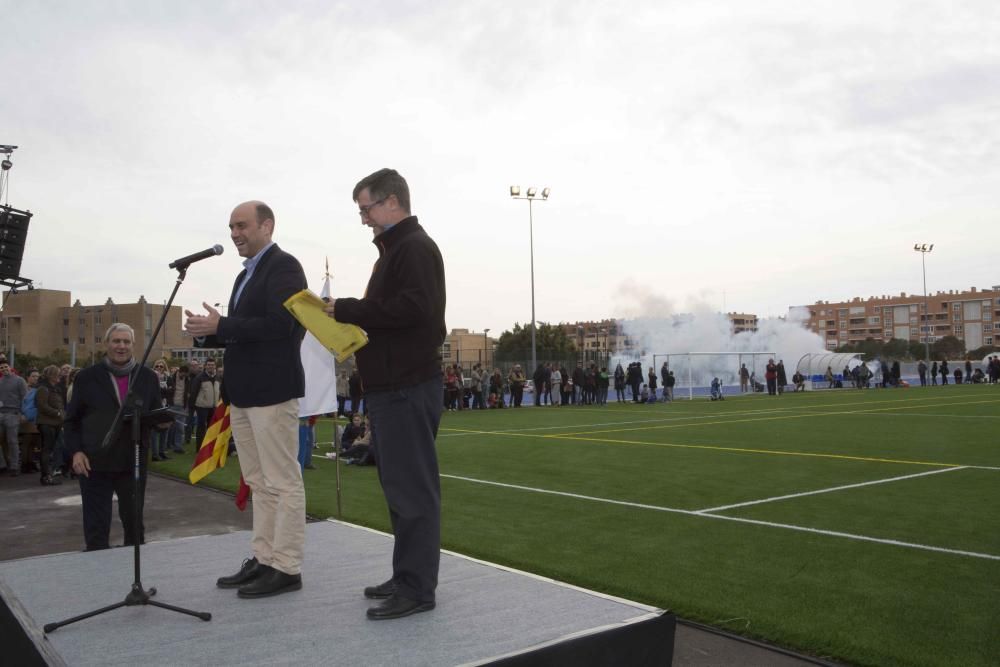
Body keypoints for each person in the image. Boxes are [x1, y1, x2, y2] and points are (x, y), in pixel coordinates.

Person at [325, 168, 446, 620]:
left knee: (412, 491)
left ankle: (417, 588)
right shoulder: (398, 250)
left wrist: (350, 309)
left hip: (408, 386)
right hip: (394, 387)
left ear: (392, 202)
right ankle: (407, 576)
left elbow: (417, 310)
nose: (363, 219)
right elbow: (399, 312)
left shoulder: (413, 248)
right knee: (399, 490)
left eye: (366, 208)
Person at [185, 199, 307, 599]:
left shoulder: (284, 267)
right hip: (243, 395)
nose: (235, 234)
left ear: (266, 226)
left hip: (272, 392)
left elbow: (282, 324)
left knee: (282, 481)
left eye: (242, 226)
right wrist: (208, 333)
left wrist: (224, 324)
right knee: (258, 481)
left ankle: (286, 567)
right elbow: (240, 330)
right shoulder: (244, 277)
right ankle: (264, 558)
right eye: (231, 227)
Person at [65, 323, 166, 550]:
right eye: (116, 341)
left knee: (134, 524)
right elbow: (71, 421)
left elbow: (155, 414)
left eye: (126, 342)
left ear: (133, 345)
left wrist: (164, 422)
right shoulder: (87, 377)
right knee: (96, 526)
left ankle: (133, 578)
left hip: (132, 461)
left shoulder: (147, 377)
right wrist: (76, 452)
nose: (121, 346)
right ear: (106, 344)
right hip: (94, 462)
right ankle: (99, 578)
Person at [35, 366, 65, 486]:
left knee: (50, 449)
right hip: (47, 423)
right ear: (52, 376)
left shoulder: (54, 389)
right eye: (58, 374)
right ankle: (46, 476)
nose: (60, 377)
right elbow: (42, 406)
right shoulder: (43, 388)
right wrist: (57, 412)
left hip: (55, 423)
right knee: (47, 450)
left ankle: (48, 475)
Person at [0, 358, 27, 476]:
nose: (4, 369)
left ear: (10, 367)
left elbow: (24, 398)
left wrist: (23, 413)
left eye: (5, 367)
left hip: (13, 414)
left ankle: (14, 466)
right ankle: (2, 464)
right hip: (0, 413)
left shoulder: (19, 380)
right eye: (1, 368)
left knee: (12, 441)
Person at [189, 357, 221, 452]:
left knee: (211, 428)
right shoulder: (199, 377)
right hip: (202, 407)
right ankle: (200, 449)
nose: (210, 366)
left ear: (215, 366)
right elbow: (193, 392)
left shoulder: (217, 377)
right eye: (209, 365)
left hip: (213, 406)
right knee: (201, 428)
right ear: (205, 366)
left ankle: (209, 448)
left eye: (212, 365)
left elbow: (218, 391)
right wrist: (192, 407)